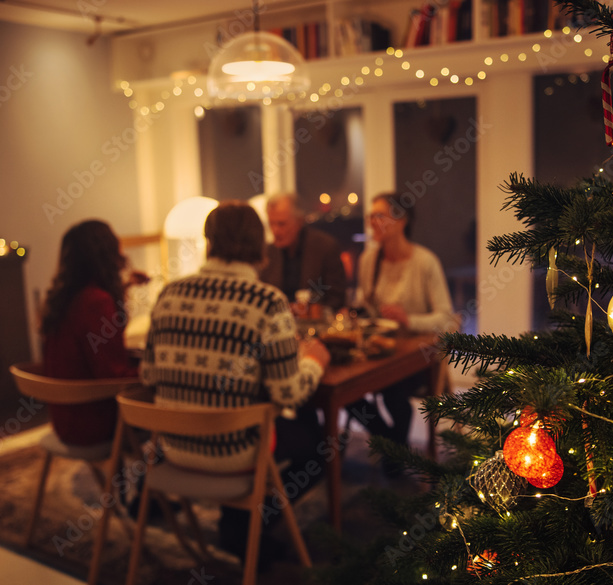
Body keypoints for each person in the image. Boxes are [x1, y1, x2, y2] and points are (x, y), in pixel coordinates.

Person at [139, 201, 331, 566]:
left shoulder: (168, 294)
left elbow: (148, 376)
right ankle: (250, 527)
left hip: (173, 447)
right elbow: (287, 393)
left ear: (209, 243)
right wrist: (313, 363)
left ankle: (237, 526)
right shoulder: (266, 301)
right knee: (318, 449)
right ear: (259, 247)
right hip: (233, 451)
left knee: (269, 420)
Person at [350, 192, 456, 455]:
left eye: (379, 216)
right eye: (370, 216)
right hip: (381, 350)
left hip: (417, 357)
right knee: (345, 390)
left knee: (391, 391)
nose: (372, 222)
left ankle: (394, 450)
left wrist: (408, 319)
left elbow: (446, 318)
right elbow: (365, 303)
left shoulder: (424, 262)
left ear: (401, 221)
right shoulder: (369, 260)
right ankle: (391, 443)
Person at [39, 219, 147, 446]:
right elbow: (112, 375)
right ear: (107, 253)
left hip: (65, 419)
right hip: (93, 423)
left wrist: (124, 287)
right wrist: (152, 372)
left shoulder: (64, 299)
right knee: (166, 397)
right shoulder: (96, 302)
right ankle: (155, 475)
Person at [260, 192, 348, 312]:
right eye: (271, 224)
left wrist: (306, 311)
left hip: (317, 326)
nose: (275, 231)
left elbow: (336, 299)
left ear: (299, 221)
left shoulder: (325, 247)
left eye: (281, 224)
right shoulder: (268, 253)